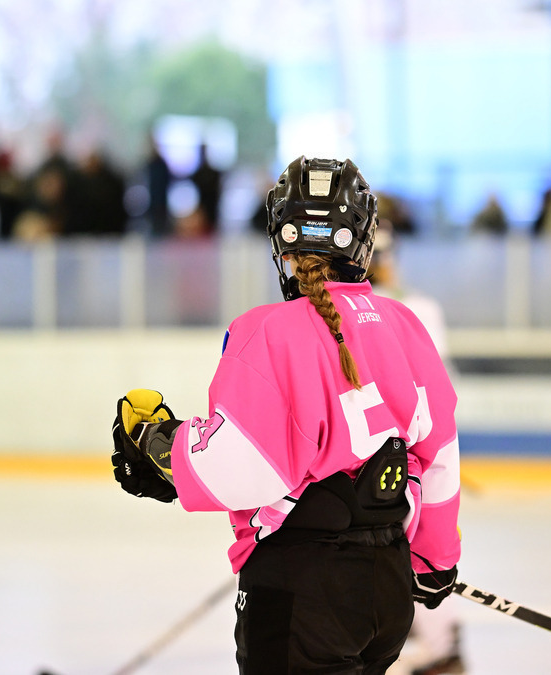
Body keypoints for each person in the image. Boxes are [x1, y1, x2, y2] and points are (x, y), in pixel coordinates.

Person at [110, 156, 462, 674]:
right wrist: (434, 559)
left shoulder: (267, 330)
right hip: (385, 592)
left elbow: (241, 467)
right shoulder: (404, 323)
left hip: (302, 590)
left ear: (283, 241)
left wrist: (161, 445)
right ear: (363, 239)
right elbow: (440, 456)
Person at [368, 223, 465, 675]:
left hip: (393, 454)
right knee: (407, 550)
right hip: (393, 451)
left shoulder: (412, 307)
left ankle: (442, 641)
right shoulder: (408, 306)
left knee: (412, 550)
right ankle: (434, 637)